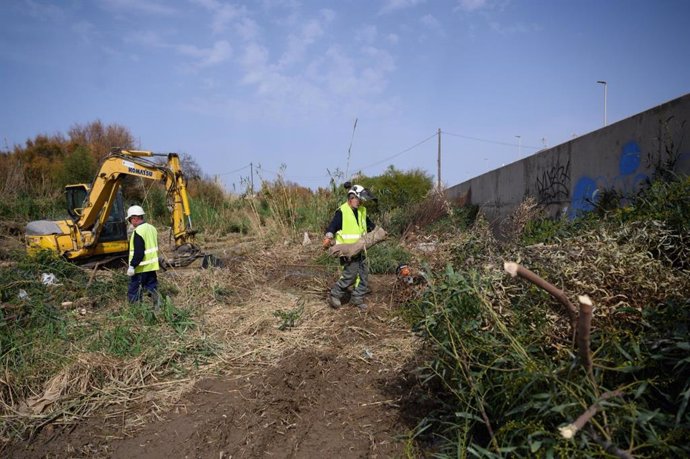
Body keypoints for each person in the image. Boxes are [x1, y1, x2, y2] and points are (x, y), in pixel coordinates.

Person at [323, 184, 376, 310]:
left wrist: (379, 231)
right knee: (350, 275)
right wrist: (328, 237)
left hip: (361, 248)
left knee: (363, 275)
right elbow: (333, 226)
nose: (360, 202)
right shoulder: (342, 211)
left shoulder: (362, 211)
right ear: (351, 197)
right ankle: (334, 294)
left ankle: (357, 298)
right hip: (347, 250)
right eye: (358, 199)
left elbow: (369, 225)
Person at [126, 205, 160, 308]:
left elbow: (139, 253)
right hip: (152, 266)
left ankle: (136, 312)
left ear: (135, 218)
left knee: (134, 291)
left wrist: (132, 266)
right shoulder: (152, 228)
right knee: (152, 288)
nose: (130, 223)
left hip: (141, 268)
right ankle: (158, 307)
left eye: (130, 220)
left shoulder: (138, 232)